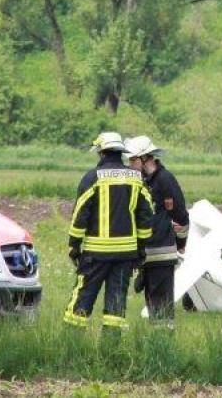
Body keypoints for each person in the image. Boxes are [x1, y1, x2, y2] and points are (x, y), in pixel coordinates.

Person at [65, 131, 154, 335]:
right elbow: (146, 216)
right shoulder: (136, 178)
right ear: (120, 152)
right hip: (126, 255)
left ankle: (71, 343)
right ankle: (111, 350)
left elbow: (80, 213)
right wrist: (141, 248)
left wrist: (74, 245)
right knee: (116, 304)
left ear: (102, 153)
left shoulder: (93, 177)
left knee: (83, 298)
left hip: (96, 254)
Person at [123, 135, 188, 326]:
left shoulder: (165, 180)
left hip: (161, 252)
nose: (130, 164)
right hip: (146, 254)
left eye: (132, 160)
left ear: (145, 158)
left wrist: (181, 244)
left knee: (162, 306)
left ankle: (163, 344)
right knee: (153, 303)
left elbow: (182, 218)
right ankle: (156, 340)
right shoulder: (141, 180)